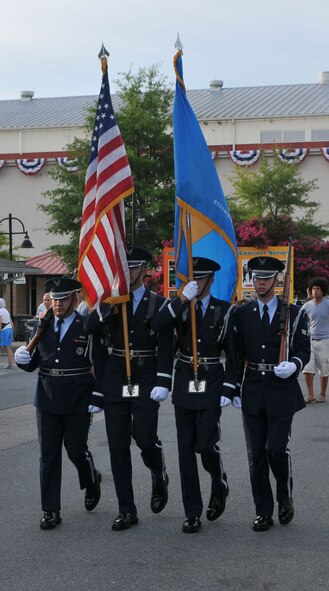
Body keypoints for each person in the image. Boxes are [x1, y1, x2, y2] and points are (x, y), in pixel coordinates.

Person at [84, 247, 173, 531]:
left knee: (145, 437)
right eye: (123, 268)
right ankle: (127, 508)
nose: (128, 273)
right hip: (116, 376)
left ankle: (158, 471)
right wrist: (105, 308)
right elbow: (89, 328)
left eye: (132, 268)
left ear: (144, 270)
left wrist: (163, 379)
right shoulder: (111, 302)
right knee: (117, 445)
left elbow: (167, 345)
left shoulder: (157, 303)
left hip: (145, 375)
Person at [151, 256, 238, 534]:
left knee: (205, 444)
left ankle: (218, 479)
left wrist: (230, 387)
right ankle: (192, 512)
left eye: (200, 279)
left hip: (211, 379)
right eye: (192, 278)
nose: (196, 283)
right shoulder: (178, 307)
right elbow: (157, 325)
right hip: (185, 378)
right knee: (186, 450)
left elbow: (234, 354)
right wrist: (179, 301)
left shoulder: (223, 310)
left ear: (211, 280)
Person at [14, 277, 107, 530]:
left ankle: (91, 480)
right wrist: (23, 359)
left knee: (76, 449)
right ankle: (51, 510)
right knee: (48, 455)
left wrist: (98, 396)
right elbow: (33, 363)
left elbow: (100, 362)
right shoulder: (41, 326)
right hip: (46, 397)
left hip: (78, 397)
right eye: (54, 300)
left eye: (63, 299)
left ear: (75, 300)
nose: (57, 304)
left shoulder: (86, 325)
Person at [232, 256, 310, 532]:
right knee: (257, 455)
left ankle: (284, 497)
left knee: (275, 449)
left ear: (277, 281)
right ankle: (263, 511)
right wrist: (232, 387)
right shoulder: (242, 313)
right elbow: (235, 354)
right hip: (253, 387)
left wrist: (295, 365)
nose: (261, 282)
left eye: (266, 278)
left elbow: (303, 349)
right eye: (257, 277)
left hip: (281, 390)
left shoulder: (294, 312)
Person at [302, 277, 329, 403]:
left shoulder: (328, 304)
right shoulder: (306, 306)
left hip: (325, 341)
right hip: (310, 340)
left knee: (324, 369)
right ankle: (311, 395)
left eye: (318, 289)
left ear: (323, 291)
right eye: (313, 288)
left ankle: (322, 394)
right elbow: (300, 322)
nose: (315, 291)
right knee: (308, 368)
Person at [0, 298, 14, 369]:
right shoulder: (6, 311)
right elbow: (11, 322)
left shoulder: (0, 311)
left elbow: (0, 322)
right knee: (8, 347)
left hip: (4, 330)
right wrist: (12, 334)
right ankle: (10, 364)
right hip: (9, 329)